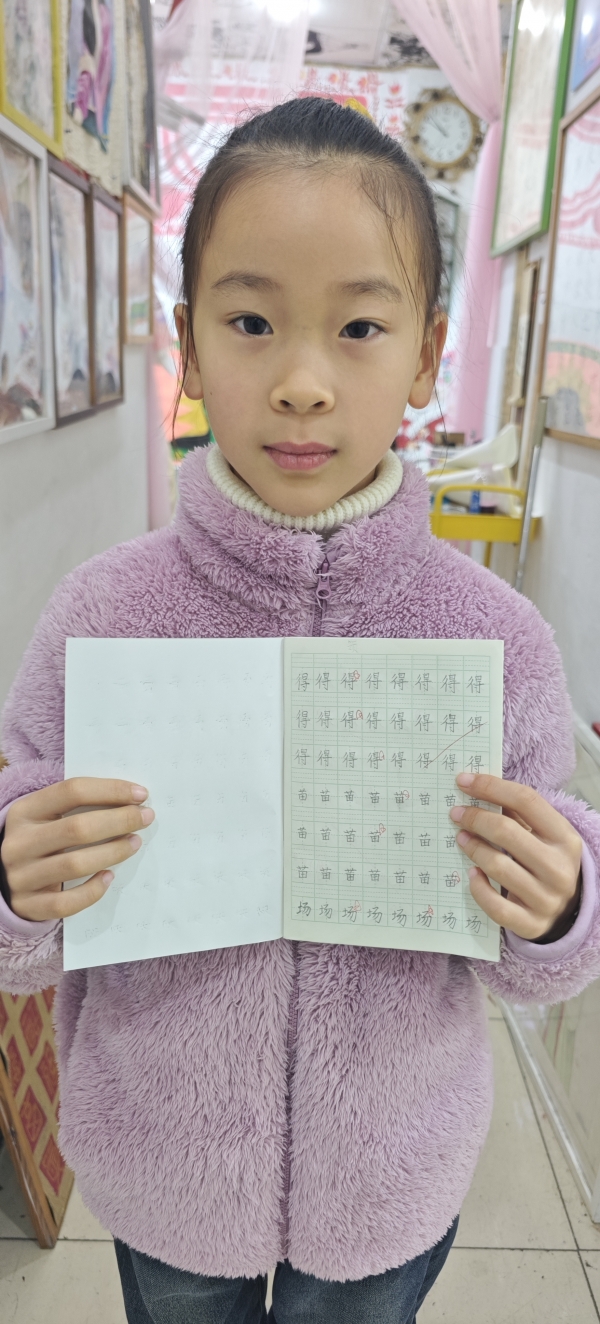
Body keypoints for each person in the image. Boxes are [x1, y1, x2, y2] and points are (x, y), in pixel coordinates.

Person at [1, 97, 599, 1323]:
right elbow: (26, 871)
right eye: (251, 321)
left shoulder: (497, 639)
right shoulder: (103, 613)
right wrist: (15, 879)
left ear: (427, 354)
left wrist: (563, 905)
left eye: (361, 326)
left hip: (391, 1177)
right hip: (166, 1167)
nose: (303, 384)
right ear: (188, 337)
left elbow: (548, 949)